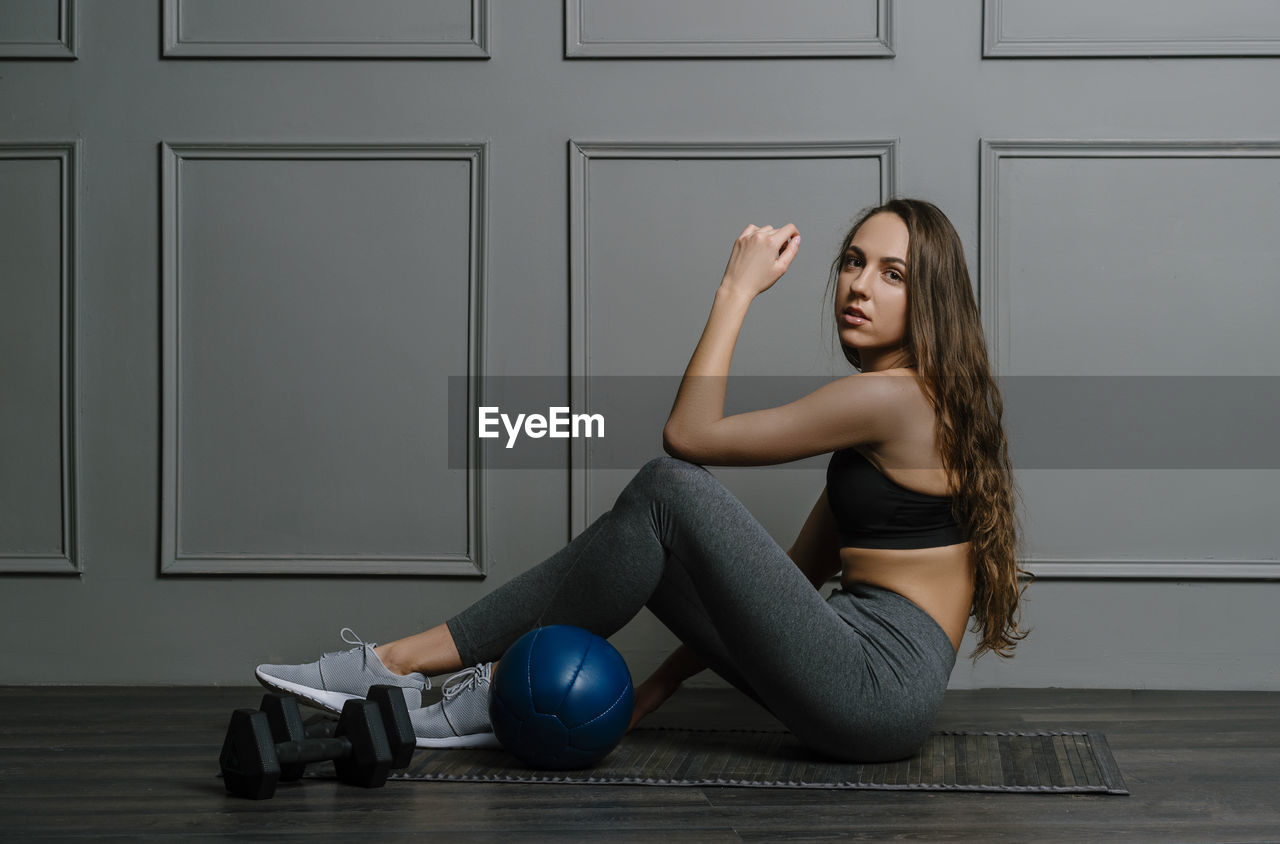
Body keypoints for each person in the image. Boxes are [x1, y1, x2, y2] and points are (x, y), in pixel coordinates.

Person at [256, 197, 1033, 763]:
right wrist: (657, 691)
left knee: (667, 487)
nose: (859, 286)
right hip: (855, 685)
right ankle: (480, 697)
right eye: (854, 263)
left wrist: (735, 290)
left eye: (891, 273)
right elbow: (789, 582)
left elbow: (689, 438)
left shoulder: (893, 397)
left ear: (928, 296)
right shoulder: (909, 413)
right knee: (657, 545)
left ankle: (398, 664)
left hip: (871, 691)